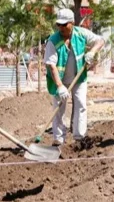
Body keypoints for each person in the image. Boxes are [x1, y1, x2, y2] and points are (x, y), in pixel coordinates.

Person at [44, 8, 105, 145]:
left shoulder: (81, 34)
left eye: (64, 24)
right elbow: (51, 65)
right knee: (59, 109)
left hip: (79, 77)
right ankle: (59, 140)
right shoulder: (53, 41)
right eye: (59, 25)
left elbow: (100, 40)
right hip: (59, 81)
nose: (61, 28)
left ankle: (79, 137)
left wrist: (92, 52)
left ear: (72, 23)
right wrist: (60, 86)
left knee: (81, 104)